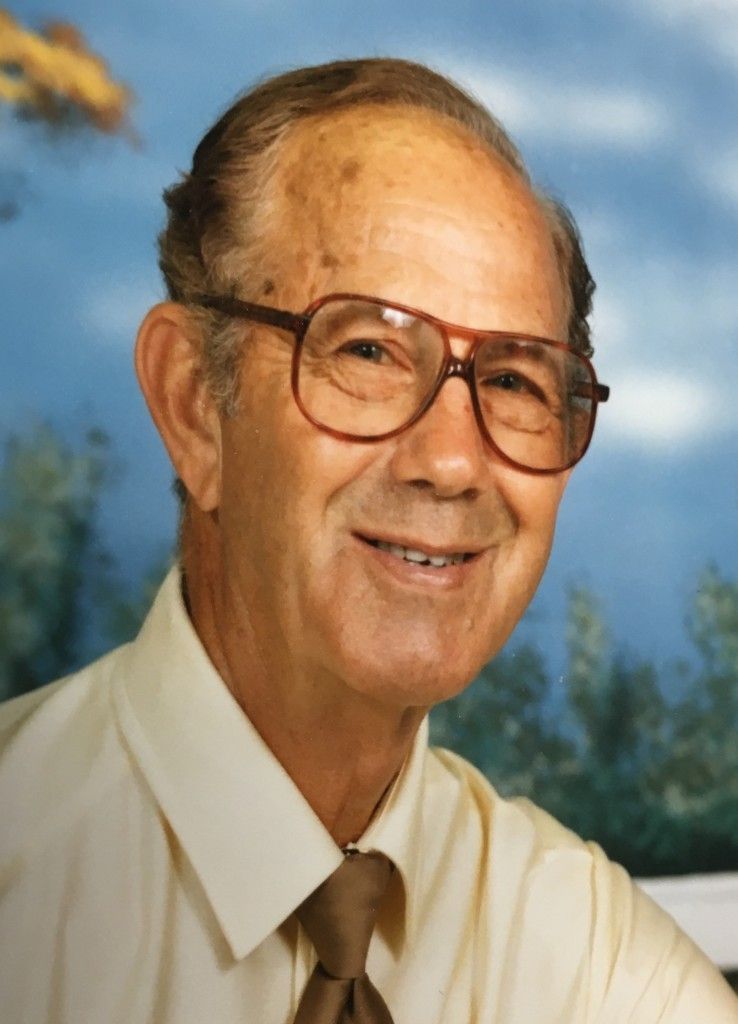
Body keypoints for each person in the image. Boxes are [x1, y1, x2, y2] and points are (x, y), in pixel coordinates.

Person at [0, 58, 736, 1024]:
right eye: (369, 350)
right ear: (193, 405)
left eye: (513, 379)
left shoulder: (606, 973)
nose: (453, 461)